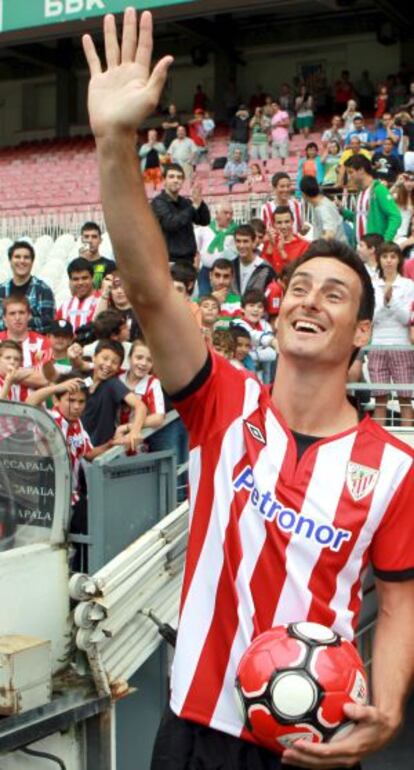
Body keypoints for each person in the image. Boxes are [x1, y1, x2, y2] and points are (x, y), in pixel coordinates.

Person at [83, 11, 414, 770]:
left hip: (313, 743)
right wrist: (113, 144)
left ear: (363, 332)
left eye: (335, 295)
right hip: (193, 732)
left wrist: (390, 706)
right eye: (299, 286)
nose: (308, 300)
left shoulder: (393, 467)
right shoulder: (224, 404)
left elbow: (398, 602)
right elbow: (149, 290)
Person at [367, 242, 414, 425]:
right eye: (385, 257)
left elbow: (406, 318)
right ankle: (378, 444)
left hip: (401, 345)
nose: (389, 261)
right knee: (380, 399)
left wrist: (391, 300)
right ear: (379, 259)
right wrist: (384, 302)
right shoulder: (372, 284)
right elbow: (371, 317)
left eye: (393, 257)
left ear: (399, 260)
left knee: (404, 399)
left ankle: (409, 443)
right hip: (377, 344)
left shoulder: (408, 285)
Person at [152, 163, 210, 264]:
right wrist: (193, 207)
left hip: (188, 260)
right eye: (171, 177)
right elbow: (170, 223)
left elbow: (204, 220)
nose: (176, 180)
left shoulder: (185, 202)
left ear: (183, 181)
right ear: (164, 180)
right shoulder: (158, 202)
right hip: (169, 261)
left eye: (179, 177)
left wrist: (199, 202)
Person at [0, 240, 55, 333]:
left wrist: (11, 322)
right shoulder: (2, 290)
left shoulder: (43, 290)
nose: (22, 261)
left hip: (34, 345)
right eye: (17, 257)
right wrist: (28, 321)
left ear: (32, 262)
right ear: (10, 261)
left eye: (26, 257)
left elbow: (48, 323)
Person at [344, 155, 402, 241]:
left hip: (375, 249)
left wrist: (385, 241)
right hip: (361, 248)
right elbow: (358, 218)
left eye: (351, 172)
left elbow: (395, 217)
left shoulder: (379, 189)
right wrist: (341, 211)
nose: (349, 177)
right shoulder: (360, 192)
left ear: (361, 170)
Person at [120, 339, 165, 430]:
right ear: (129, 358)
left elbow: (158, 418)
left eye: (149, 360)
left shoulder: (153, 383)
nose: (144, 363)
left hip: (138, 438)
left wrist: (127, 427)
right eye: (139, 357)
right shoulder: (118, 377)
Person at [195, 205, 237, 295]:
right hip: (206, 270)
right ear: (217, 214)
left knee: (227, 297)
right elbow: (196, 250)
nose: (229, 216)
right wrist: (196, 266)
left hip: (227, 273)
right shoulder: (205, 229)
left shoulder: (236, 231)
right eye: (225, 213)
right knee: (204, 297)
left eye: (231, 213)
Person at [56, 257, 100, 332]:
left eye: (84, 278)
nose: (80, 283)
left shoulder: (102, 301)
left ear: (92, 278)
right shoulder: (65, 307)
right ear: (70, 281)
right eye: (76, 279)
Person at [262, 205, 309, 274]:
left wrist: (282, 251)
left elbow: (299, 272)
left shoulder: (304, 245)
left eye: (287, 222)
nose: (283, 226)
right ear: (274, 224)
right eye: (279, 223)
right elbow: (263, 270)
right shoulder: (269, 243)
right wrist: (271, 245)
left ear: (292, 222)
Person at [300, 176, 347, 242]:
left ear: (303, 194)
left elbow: (329, 234)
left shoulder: (324, 208)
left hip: (334, 250)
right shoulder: (321, 204)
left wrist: (315, 246)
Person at [231, 224, 275, 295]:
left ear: (254, 242)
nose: (241, 246)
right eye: (238, 241)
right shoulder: (230, 266)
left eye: (245, 241)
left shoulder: (266, 269)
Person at [79, 221, 115, 290]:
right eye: (86, 237)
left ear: (100, 240)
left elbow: (96, 287)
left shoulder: (109, 264)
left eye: (94, 237)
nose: (90, 240)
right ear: (81, 240)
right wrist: (81, 261)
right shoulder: (74, 265)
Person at [270, 100, 290, 164]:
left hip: (282, 138)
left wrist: (277, 124)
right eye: (272, 106)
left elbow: (287, 123)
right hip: (274, 140)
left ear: (278, 106)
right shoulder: (272, 116)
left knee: (284, 158)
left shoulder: (282, 113)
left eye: (275, 106)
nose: (273, 107)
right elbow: (272, 127)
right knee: (275, 159)